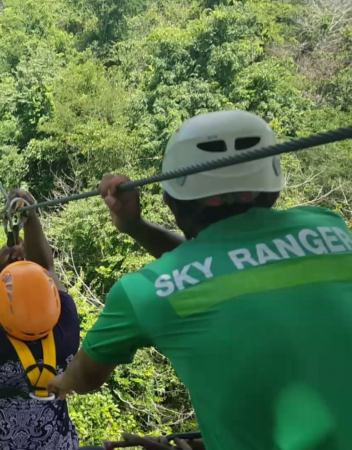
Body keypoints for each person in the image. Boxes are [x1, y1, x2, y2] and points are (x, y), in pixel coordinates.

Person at [47, 110, 352, 450]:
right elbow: (227, 263)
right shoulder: (327, 228)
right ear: (273, 185)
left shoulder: (145, 291)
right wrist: (135, 227)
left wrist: (59, 381)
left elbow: (85, 377)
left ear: (170, 199)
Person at [0, 189, 81, 450]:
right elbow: (47, 269)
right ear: (52, 300)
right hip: (53, 442)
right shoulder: (67, 327)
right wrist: (31, 218)